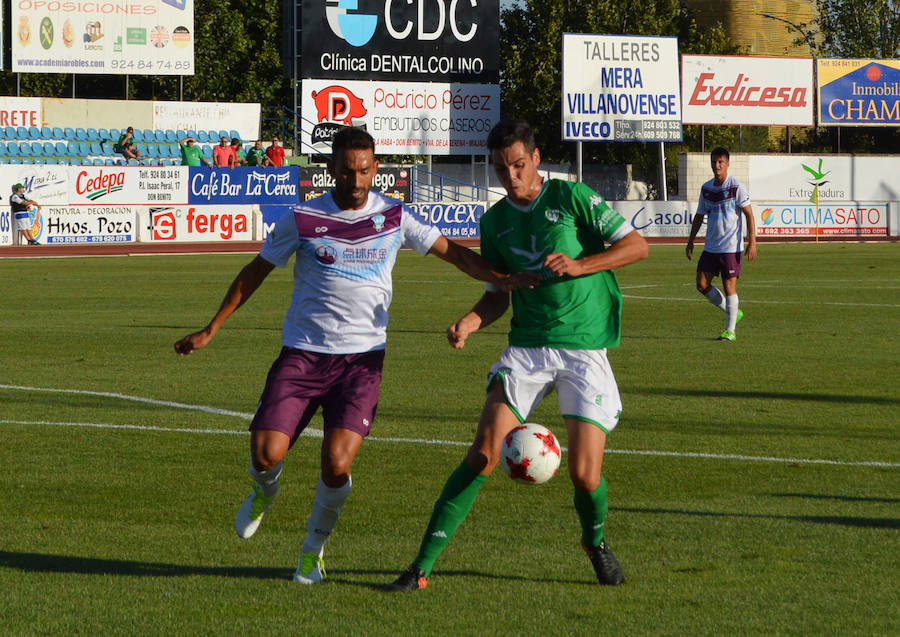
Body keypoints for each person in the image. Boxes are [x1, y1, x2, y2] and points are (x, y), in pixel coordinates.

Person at [173, 126, 531, 585]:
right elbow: (254, 272)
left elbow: (455, 254)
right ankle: (264, 491)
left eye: (364, 171)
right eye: (347, 172)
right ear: (331, 170)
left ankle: (312, 550)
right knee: (265, 455)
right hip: (302, 355)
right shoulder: (302, 218)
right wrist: (211, 328)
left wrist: (503, 278)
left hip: (361, 363)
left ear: (375, 168)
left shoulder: (396, 217)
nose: (357, 181)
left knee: (337, 463)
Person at [387, 119, 649, 592]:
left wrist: (580, 264)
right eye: (501, 168)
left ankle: (595, 542)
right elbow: (497, 293)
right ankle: (421, 568)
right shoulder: (495, 222)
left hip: (583, 348)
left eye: (519, 164)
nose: (511, 176)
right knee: (484, 454)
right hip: (526, 349)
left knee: (585, 476)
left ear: (536, 157)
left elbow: (637, 246)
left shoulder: (571, 197)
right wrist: (469, 321)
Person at [685, 147, 757, 342]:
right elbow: (700, 215)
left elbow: (749, 214)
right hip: (711, 246)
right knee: (701, 284)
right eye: (714, 162)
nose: (717, 166)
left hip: (731, 246)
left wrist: (752, 242)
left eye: (720, 162)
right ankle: (732, 310)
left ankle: (730, 330)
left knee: (728, 286)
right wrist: (691, 241)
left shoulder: (736, 187)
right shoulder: (706, 188)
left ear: (727, 164)